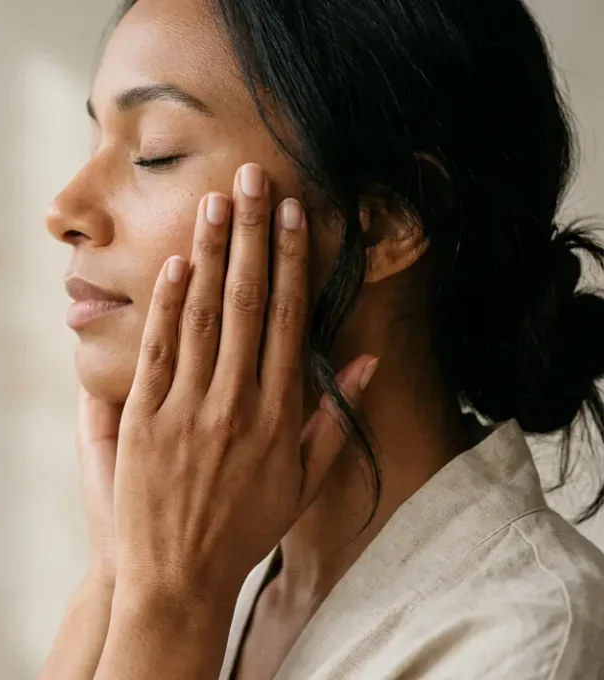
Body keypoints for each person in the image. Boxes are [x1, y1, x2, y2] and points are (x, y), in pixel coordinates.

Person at [39, 0, 604, 678]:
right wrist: (121, 576)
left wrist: (170, 607)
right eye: (96, 141)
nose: (64, 210)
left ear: (383, 223)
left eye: (154, 152)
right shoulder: (229, 577)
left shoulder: (533, 641)